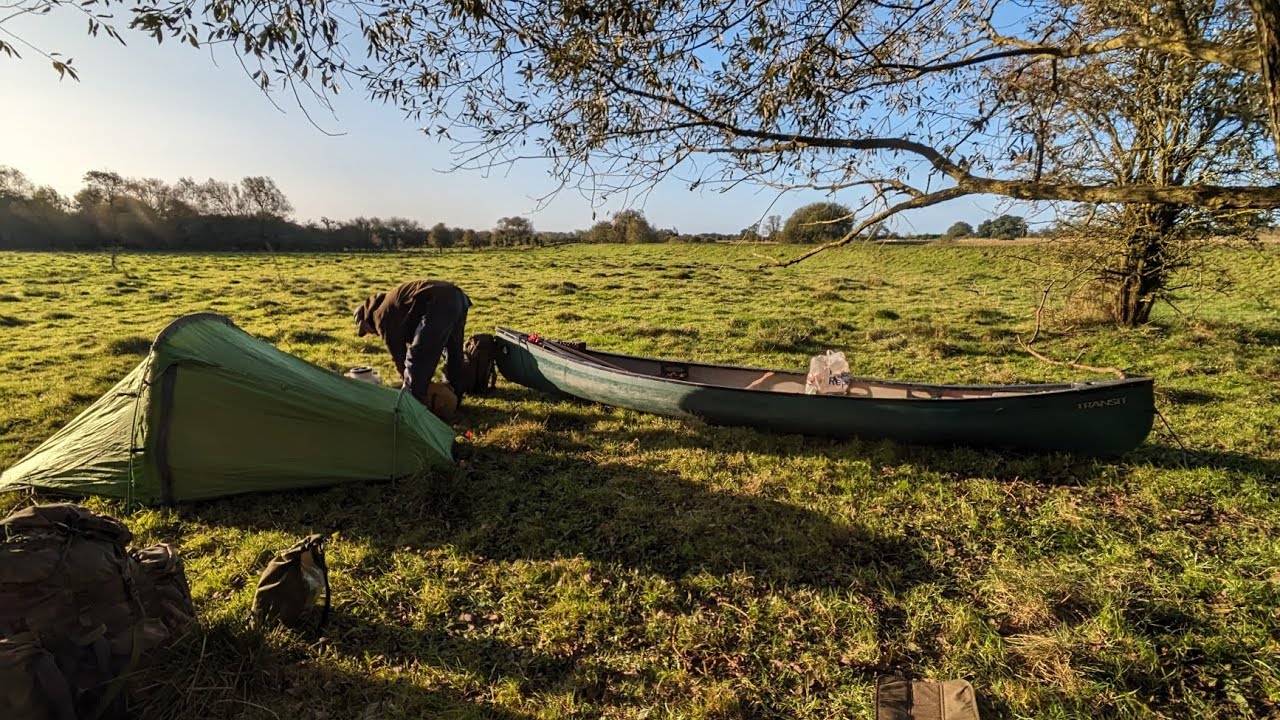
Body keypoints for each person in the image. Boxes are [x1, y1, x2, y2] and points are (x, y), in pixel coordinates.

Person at [352, 279, 473, 403]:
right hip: (457, 297)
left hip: (438, 301)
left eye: (365, 330)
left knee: (417, 359)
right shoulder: (390, 303)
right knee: (453, 352)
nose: (370, 333)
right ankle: (454, 397)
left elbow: (399, 355)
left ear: (365, 320)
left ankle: (413, 405)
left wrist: (407, 382)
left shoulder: (380, 316)